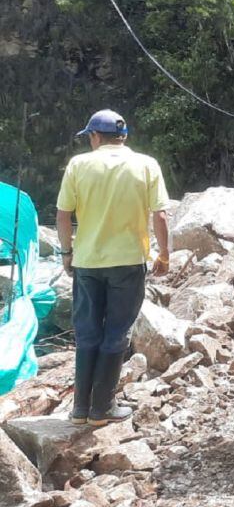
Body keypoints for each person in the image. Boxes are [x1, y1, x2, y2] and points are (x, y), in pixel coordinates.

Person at [56, 110, 170, 426]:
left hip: (87, 262)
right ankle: (102, 406)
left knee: (87, 331)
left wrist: (67, 253)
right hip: (128, 261)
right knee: (117, 332)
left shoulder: (79, 164)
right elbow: (160, 215)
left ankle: (81, 408)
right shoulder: (147, 164)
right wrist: (164, 255)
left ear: (94, 136)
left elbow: (63, 215)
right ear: (124, 136)